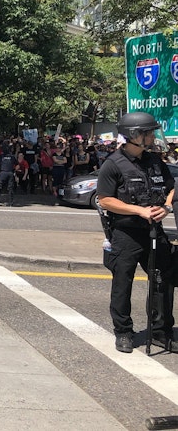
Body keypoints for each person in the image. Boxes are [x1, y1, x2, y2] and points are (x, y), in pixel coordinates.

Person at [96, 112, 175, 354]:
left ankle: (161, 332)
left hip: (153, 230)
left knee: (164, 280)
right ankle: (123, 331)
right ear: (134, 135)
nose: (152, 136)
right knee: (123, 282)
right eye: (148, 132)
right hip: (126, 233)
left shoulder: (154, 161)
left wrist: (166, 207)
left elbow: (171, 187)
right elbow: (105, 200)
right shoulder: (113, 164)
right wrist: (138, 210)